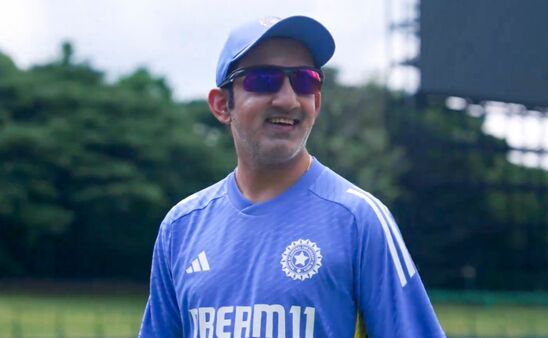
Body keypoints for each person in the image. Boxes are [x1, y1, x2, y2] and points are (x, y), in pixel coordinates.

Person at [139, 15, 446, 338]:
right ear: (221, 105)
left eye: (305, 80)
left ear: (317, 100)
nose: (287, 99)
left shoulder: (359, 219)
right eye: (263, 80)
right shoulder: (182, 226)